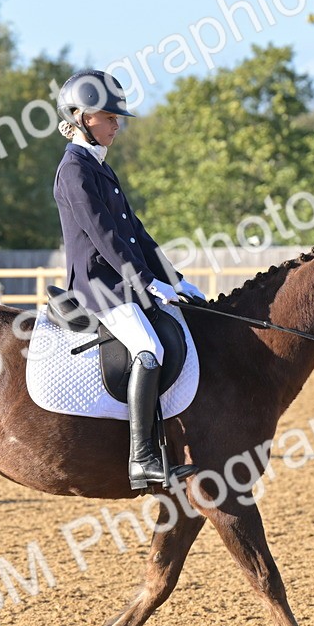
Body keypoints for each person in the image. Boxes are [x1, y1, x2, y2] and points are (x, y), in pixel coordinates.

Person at [52, 70, 205, 490]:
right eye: (109, 117)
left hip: (121, 282)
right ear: (82, 118)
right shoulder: (75, 171)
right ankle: (143, 459)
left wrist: (175, 279)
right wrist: (144, 282)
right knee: (148, 347)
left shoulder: (100, 169)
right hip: (98, 287)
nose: (117, 124)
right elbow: (103, 236)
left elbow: (135, 233)